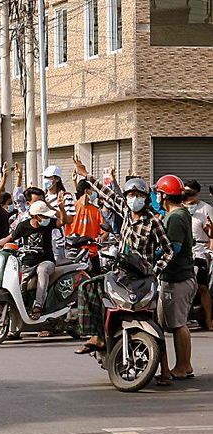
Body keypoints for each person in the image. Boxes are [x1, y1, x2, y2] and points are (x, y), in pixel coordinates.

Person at [70, 157, 175, 368]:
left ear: (146, 199)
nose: (133, 199)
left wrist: (155, 270)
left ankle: (164, 370)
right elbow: (106, 193)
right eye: (130, 195)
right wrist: (85, 174)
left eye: (138, 195)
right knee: (87, 287)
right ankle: (97, 335)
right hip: (121, 273)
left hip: (144, 277)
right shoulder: (126, 212)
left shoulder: (153, 221)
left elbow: (168, 251)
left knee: (153, 320)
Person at [153, 175, 197, 384]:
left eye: (157, 193)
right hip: (177, 276)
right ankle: (183, 365)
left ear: (163, 195)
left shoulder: (176, 217)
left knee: (178, 324)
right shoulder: (178, 213)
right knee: (174, 323)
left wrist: (154, 255)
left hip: (178, 278)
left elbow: (175, 248)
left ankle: (182, 366)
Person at [0, 201, 62, 325]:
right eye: (44, 216)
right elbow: (10, 238)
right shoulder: (23, 226)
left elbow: (64, 221)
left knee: (42, 271)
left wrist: (60, 208)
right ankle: (17, 316)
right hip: (27, 264)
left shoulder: (49, 224)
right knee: (20, 284)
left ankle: (38, 306)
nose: (47, 219)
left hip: (46, 262)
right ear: (35, 216)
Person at [183, 179, 213, 330]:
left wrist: (209, 230)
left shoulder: (206, 209)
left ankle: (208, 320)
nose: (188, 197)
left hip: (200, 251)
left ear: (198, 194)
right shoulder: (180, 209)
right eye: (185, 193)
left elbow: (211, 234)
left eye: (191, 194)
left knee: (202, 287)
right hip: (184, 251)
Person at [66, 179, 105, 275]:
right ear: (87, 191)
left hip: (91, 252)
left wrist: (102, 237)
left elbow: (105, 229)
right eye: (92, 190)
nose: (94, 193)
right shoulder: (72, 208)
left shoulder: (96, 210)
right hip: (76, 252)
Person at [42, 165, 76, 263]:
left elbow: (69, 220)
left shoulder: (66, 196)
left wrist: (53, 209)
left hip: (57, 243)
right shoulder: (43, 196)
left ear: (56, 179)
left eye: (49, 177)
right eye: (45, 177)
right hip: (42, 241)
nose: (46, 180)